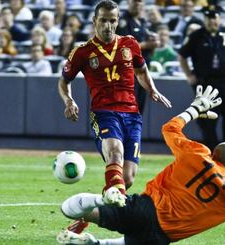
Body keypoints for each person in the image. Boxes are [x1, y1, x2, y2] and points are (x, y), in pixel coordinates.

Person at [56, 85, 225, 245]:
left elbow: (169, 128)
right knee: (129, 242)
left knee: (69, 207)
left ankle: (104, 199)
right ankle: (93, 242)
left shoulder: (198, 154)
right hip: (163, 238)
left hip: (146, 210)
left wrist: (196, 109)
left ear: (214, 152)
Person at [58, 1, 171, 233]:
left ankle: (87, 214)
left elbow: (141, 69)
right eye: (103, 20)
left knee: (126, 179)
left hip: (132, 115)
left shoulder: (130, 44)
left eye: (112, 20)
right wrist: (69, 100)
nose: (108, 25)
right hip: (104, 113)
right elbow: (63, 81)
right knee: (115, 154)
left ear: (117, 21)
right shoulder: (82, 52)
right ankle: (104, 214)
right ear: (94, 21)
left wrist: (152, 89)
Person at [178, 4, 225, 151]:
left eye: (214, 18)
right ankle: (211, 156)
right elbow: (182, 55)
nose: (211, 21)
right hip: (206, 85)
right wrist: (188, 74)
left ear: (219, 19)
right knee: (207, 124)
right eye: (208, 18)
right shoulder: (196, 36)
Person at [116, 0, 160, 114]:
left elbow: (147, 50)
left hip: (142, 73)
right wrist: (147, 44)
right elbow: (124, 48)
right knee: (127, 110)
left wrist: (153, 44)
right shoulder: (123, 21)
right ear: (128, 2)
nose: (137, 3)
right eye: (134, 1)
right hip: (128, 74)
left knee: (139, 110)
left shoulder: (142, 22)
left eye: (139, 1)